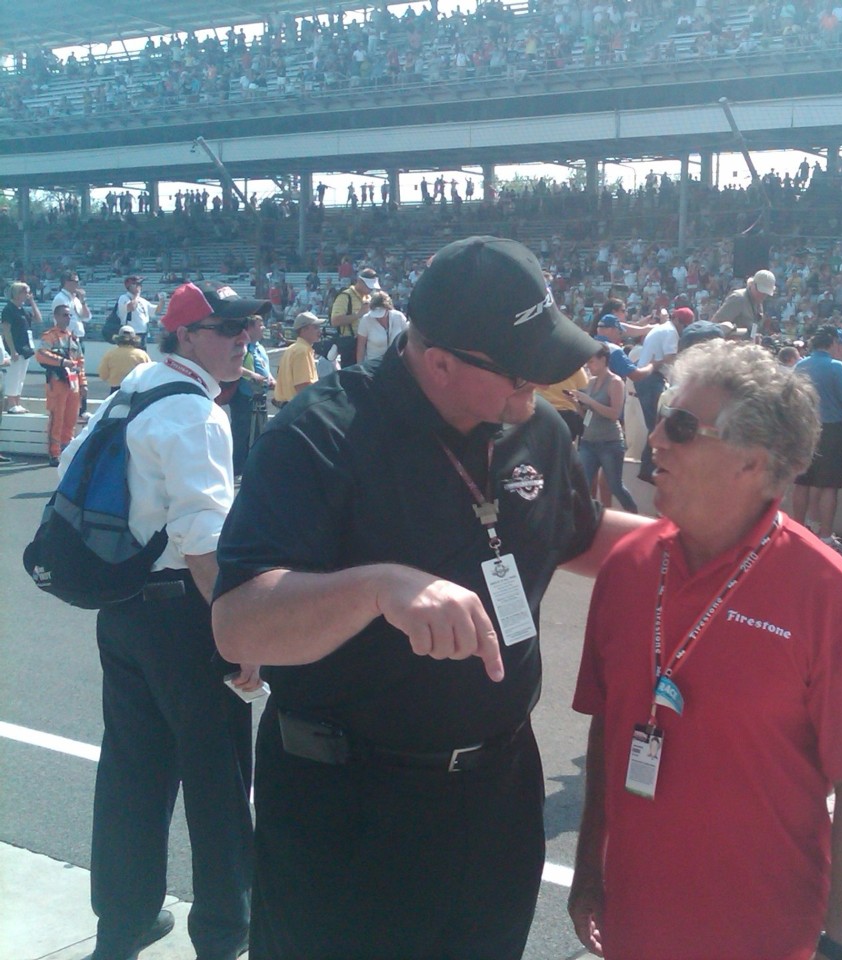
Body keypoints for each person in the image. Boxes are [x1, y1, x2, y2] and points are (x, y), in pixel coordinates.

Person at [210, 236, 649, 959]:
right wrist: (377, 588)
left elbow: (581, 533)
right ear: (439, 361)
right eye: (518, 374)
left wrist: (722, 549)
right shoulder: (319, 435)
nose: (535, 392)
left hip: (498, 797)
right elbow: (238, 625)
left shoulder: (532, 428)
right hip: (349, 811)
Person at [568, 340, 842, 960]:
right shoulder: (628, 567)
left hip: (765, 934)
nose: (657, 436)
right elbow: (608, 726)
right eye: (664, 413)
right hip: (635, 924)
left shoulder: (828, 596)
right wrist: (589, 867)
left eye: (682, 425)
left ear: (751, 462)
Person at [58, 281, 268, 960]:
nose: (243, 338)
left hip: (121, 609)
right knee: (219, 781)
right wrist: (239, 635)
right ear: (185, 335)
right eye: (225, 328)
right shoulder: (198, 412)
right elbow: (204, 544)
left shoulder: (137, 386)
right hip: (185, 613)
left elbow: (68, 465)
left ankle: (121, 925)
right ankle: (223, 932)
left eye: (248, 326)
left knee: (132, 775)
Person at [792, 325, 842, 553]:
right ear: (832, 343)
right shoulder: (836, 367)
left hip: (805, 427)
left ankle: (797, 531)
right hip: (830, 430)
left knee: (802, 482)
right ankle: (826, 537)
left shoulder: (800, 365)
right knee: (829, 485)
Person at [573, 346, 639, 513]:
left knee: (615, 486)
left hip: (609, 443)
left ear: (603, 360)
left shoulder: (615, 382)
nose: (589, 366)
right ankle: (587, 522)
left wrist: (590, 401)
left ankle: (635, 515)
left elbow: (614, 414)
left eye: (592, 362)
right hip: (589, 441)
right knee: (582, 485)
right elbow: (587, 415)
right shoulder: (592, 382)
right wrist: (577, 403)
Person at [633, 306, 693, 483]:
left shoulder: (661, 327)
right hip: (651, 378)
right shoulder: (670, 332)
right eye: (684, 325)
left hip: (646, 378)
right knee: (657, 423)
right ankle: (649, 468)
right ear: (678, 321)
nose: (684, 329)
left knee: (655, 423)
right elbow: (669, 357)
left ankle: (648, 467)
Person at [35, 303, 85, 466]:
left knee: (71, 418)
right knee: (57, 417)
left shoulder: (73, 338)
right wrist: (62, 362)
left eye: (69, 315)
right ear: (56, 317)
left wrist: (83, 383)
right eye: (64, 315)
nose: (68, 318)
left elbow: (80, 362)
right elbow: (41, 354)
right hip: (57, 381)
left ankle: (67, 449)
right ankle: (54, 452)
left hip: (73, 383)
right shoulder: (50, 336)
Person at [228, 312, 275, 476]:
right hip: (244, 396)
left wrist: (270, 378)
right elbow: (236, 367)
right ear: (250, 328)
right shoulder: (242, 345)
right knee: (242, 432)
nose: (263, 328)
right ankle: (237, 468)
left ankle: (253, 466)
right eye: (260, 325)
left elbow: (265, 367)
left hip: (259, 395)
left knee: (259, 431)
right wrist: (254, 376)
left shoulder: (260, 347)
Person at [52, 269, 93, 420]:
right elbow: (60, 321)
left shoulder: (75, 298)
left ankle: (82, 407)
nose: (77, 284)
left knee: (79, 373)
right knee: (68, 374)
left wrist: (83, 300)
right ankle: (69, 407)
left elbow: (86, 317)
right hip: (67, 340)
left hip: (77, 339)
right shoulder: (60, 298)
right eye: (75, 281)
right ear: (66, 282)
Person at [328, 266, 379, 368]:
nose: (370, 289)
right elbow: (335, 321)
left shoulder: (369, 297)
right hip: (350, 344)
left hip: (366, 344)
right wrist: (358, 314)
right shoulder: (345, 296)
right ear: (359, 282)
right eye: (368, 286)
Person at [2, 280, 39, 414]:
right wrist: (12, 350)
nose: (27, 295)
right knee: (13, 375)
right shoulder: (9, 310)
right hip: (15, 348)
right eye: (25, 292)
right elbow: (6, 331)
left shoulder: (22, 310)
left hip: (25, 348)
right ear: (17, 293)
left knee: (21, 376)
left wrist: (32, 303)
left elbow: (38, 319)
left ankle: (17, 401)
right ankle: (11, 402)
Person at [711, 268, 777, 337]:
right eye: (761, 291)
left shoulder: (758, 302)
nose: (763, 295)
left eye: (765, 293)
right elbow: (715, 326)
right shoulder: (738, 298)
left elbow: (754, 328)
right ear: (753, 285)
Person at [273, 312, 321, 406]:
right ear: (303, 330)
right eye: (315, 327)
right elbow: (303, 387)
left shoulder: (293, 348)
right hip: (298, 407)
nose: (319, 331)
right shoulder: (303, 351)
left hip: (287, 406)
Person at [355, 289, 408, 364]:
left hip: (396, 363)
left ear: (387, 309)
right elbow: (361, 347)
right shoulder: (366, 320)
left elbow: (407, 340)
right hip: (373, 364)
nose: (378, 317)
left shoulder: (399, 317)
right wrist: (359, 366)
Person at [97, 325, 152, 392]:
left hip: (116, 390)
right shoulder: (142, 355)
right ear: (135, 339)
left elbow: (103, 376)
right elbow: (149, 375)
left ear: (118, 338)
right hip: (135, 391)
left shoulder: (110, 354)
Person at [116, 275, 166, 344]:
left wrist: (162, 301)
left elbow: (157, 310)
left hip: (143, 334)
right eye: (137, 284)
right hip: (130, 334)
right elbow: (131, 307)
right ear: (131, 286)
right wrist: (137, 295)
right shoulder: (124, 298)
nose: (140, 286)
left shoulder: (142, 300)